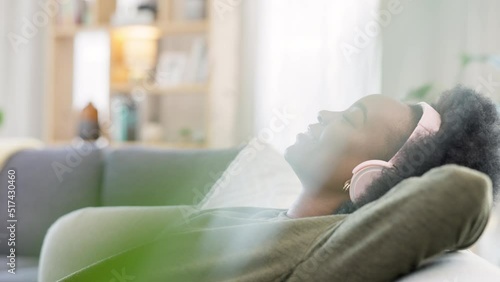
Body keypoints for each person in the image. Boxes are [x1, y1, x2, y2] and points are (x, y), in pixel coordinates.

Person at [53, 86, 500, 282]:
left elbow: (462, 193)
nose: (325, 114)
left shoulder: (322, 249)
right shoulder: (271, 220)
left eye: (350, 117)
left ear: (372, 176)